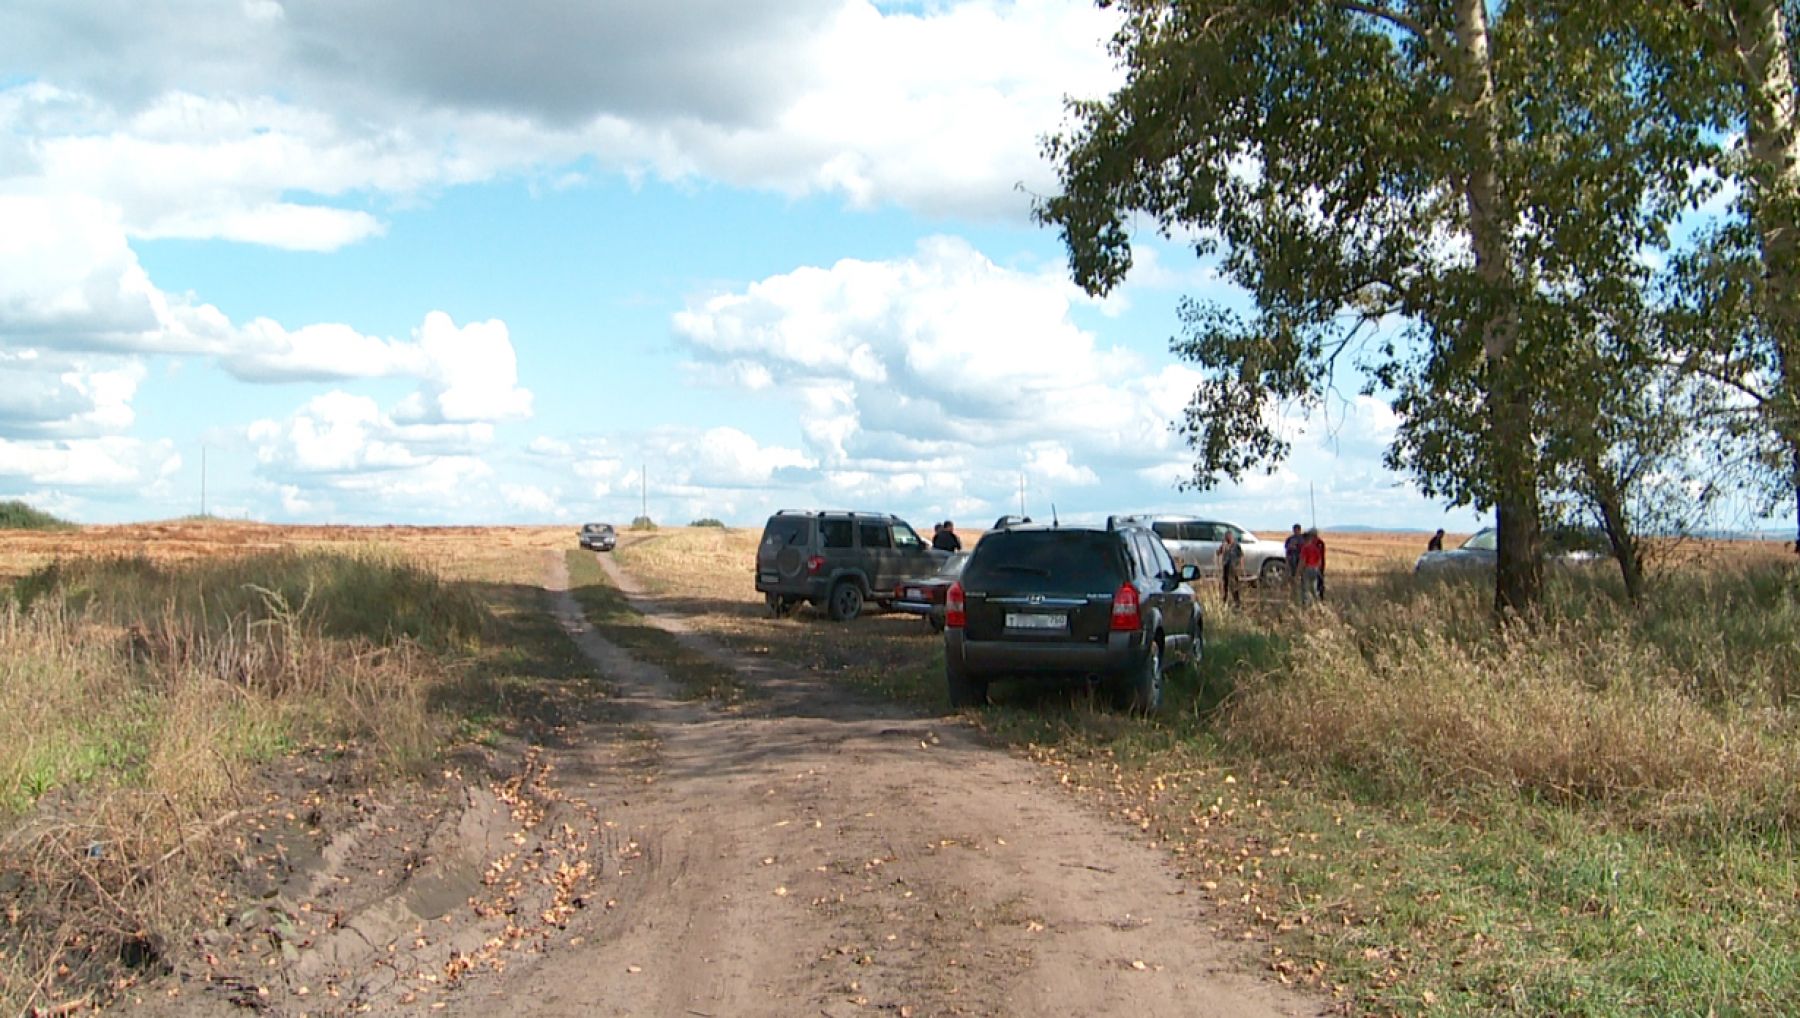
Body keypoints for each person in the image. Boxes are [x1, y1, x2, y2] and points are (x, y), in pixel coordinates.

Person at [1299, 528, 1326, 606]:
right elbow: (1320, 559)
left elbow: (1302, 561)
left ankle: (1307, 604)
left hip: (1308, 568)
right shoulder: (1316, 546)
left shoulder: (1307, 547)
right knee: (1314, 587)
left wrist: (1299, 571)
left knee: (1306, 588)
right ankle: (1316, 602)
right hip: (1316, 568)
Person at [1219, 528, 1244, 607]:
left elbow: (1241, 556)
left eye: (1228, 537)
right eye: (1226, 537)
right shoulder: (1224, 545)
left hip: (1233, 568)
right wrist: (1222, 548)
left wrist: (1241, 567)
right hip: (1226, 566)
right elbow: (1218, 552)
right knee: (1225, 584)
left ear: (1231, 537)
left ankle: (1237, 602)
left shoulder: (1236, 545)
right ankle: (1225, 600)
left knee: (1233, 585)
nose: (1227, 538)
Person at [1283, 523, 1305, 601]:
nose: (1295, 532)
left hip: (1300, 560)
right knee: (1292, 577)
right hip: (1292, 560)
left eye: (1297, 530)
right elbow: (1287, 550)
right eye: (1294, 530)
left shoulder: (1303, 539)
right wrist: (1287, 561)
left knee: (1301, 578)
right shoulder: (1290, 539)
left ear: (1299, 530)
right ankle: (1293, 593)